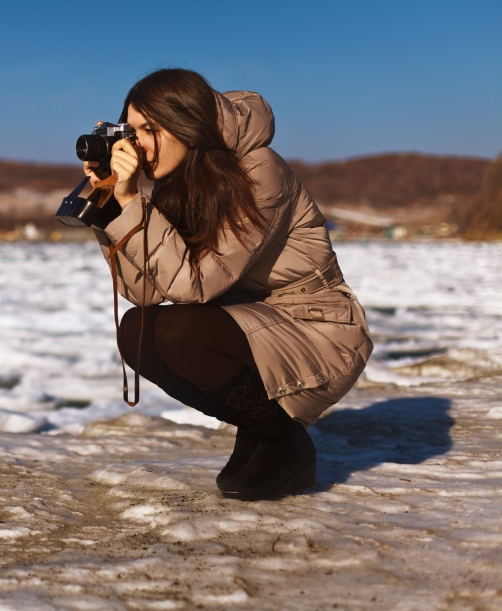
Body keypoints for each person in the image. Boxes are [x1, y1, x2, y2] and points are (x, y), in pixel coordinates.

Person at [85, 68, 373, 501]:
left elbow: (192, 287)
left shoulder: (260, 170)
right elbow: (143, 293)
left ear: (187, 123)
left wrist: (131, 203)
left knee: (182, 330)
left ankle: (282, 441)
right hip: (251, 322)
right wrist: (110, 208)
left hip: (318, 328)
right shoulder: (173, 185)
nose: (138, 144)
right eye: (132, 130)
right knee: (137, 331)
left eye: (150, 129)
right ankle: (261, 428)